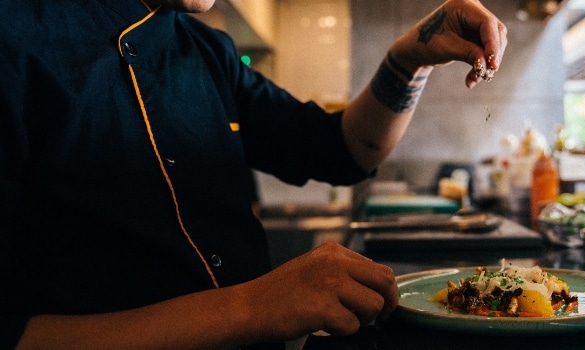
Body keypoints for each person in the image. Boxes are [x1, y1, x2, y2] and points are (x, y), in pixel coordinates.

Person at [0, 0, 507, 348]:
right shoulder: (15, 41)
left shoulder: (206, 50)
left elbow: (341, 150)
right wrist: (254, 306)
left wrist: (410, 57)